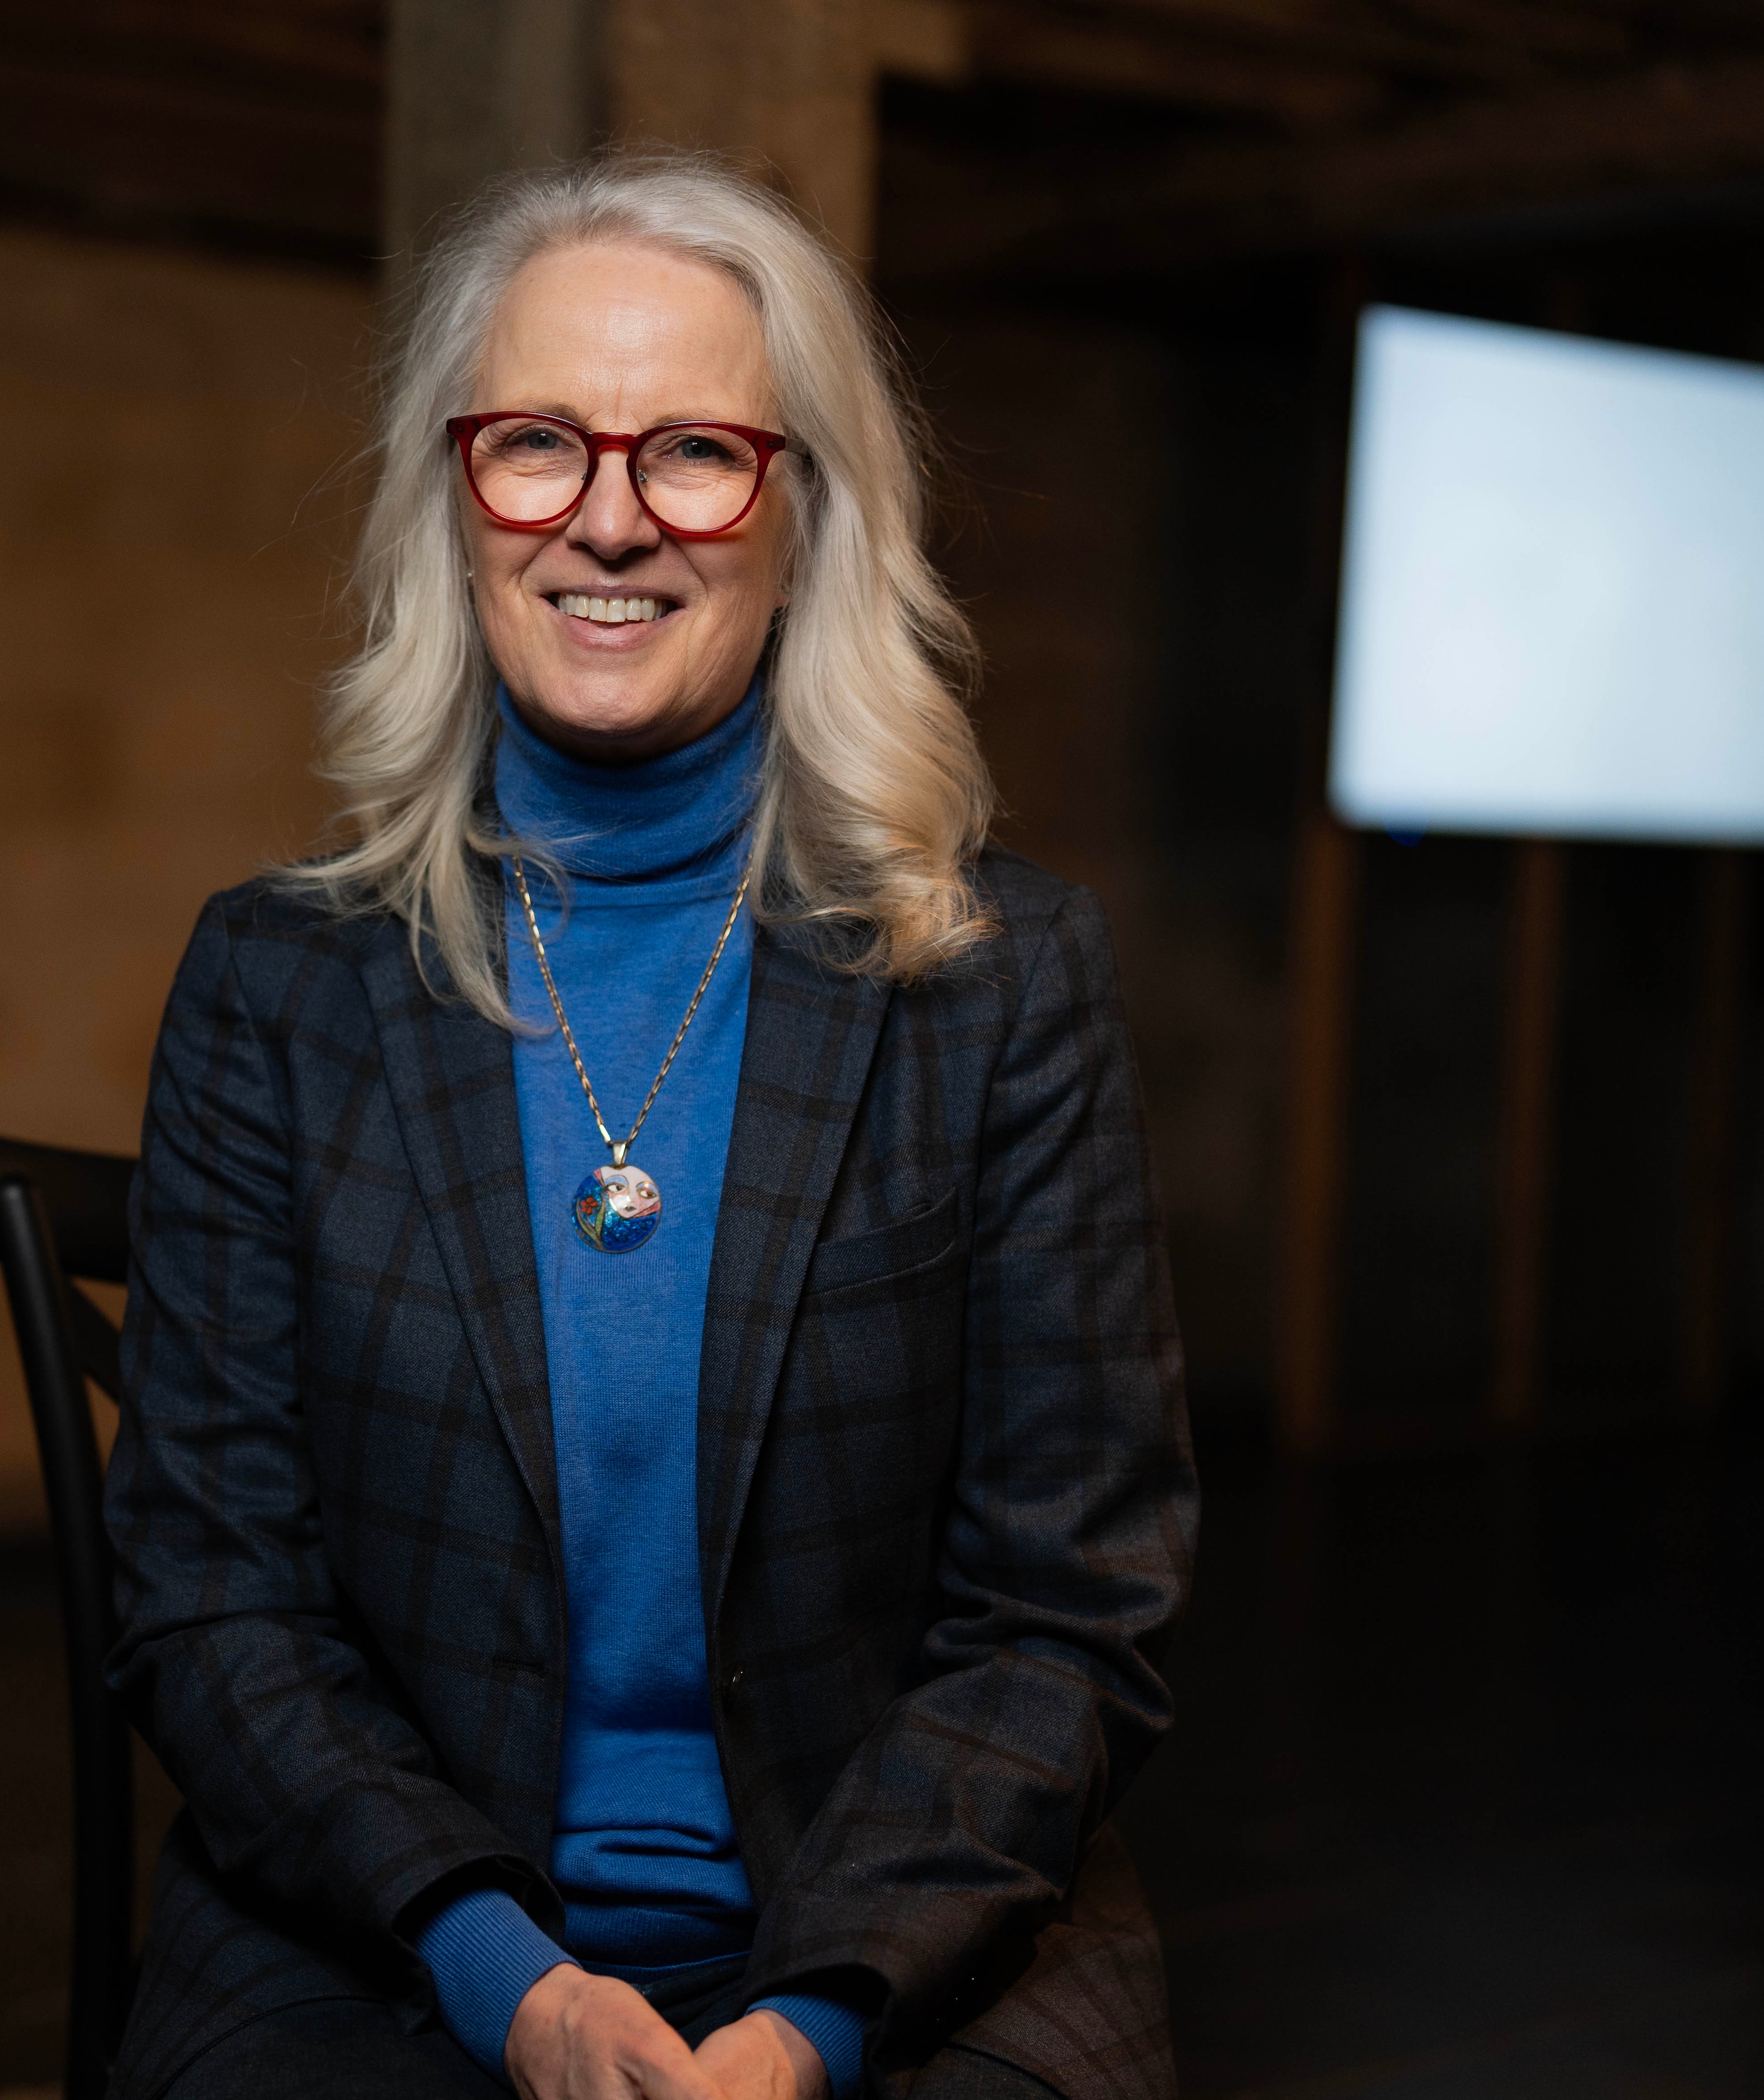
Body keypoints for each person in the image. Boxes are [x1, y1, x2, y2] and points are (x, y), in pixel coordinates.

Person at [105, 153, 1195, 2100]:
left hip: (895, 1938)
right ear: (457, 502)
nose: (608, 522)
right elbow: (210, 1594)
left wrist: (815, 2021)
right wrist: (499, 1973)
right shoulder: (279, 983)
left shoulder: (1002, 982)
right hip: (392, 1937)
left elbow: (1067, 1609)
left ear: (808, 518)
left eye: (696, 451)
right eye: (537, 442)